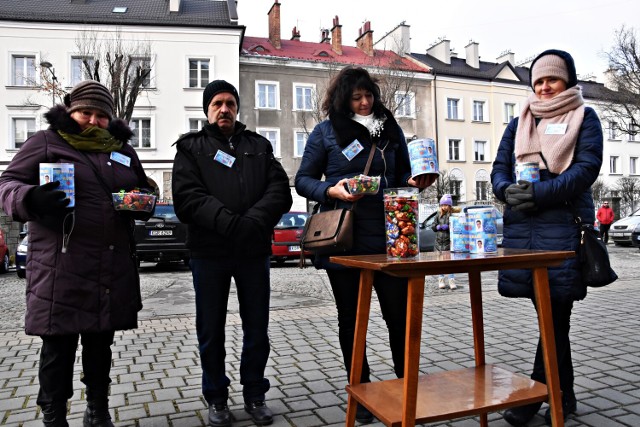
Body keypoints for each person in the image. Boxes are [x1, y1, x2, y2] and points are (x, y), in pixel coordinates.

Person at [0, 80, 152, 427]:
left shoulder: (123, 151)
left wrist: (141, 201)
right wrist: (29, 198)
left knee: (101, 346)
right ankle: (54, 416)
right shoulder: (47, 142)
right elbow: (6, 184)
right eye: (86, 112)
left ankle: (97, 410)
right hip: (60, 266)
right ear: (71, 111)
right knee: (58, 349)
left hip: (108, 265)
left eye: (101, 115)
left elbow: (141, 188)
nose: (94, 121)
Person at [294, 66, 435, 424]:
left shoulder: (391, 130)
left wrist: (416, 180)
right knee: (352, 320)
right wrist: (331, 189)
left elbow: (405, 172)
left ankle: (407, 388)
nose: (364, 101)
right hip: (346, 238)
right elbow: (304, 180)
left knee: (398, 317)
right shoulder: (326, 132)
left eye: (368, 95)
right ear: (344, 99)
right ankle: (360, 388)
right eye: (356, 97)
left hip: (391, 236)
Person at [491, 49, 603, 426]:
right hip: (524, 232)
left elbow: (585, 170)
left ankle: (536, 396)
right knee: (551, 318)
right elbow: (499, 170)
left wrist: (538, 194)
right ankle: (563, 393)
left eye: (551, 79)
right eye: (538, 81)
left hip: (562, 230)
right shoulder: (517, 123)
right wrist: (508, 191)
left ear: (567, 81)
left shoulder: (585, 118)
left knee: (555, 315)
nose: (544, 87)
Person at [172, 80, 292, 427]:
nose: (224, 109)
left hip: (252, 250)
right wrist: (230, 224)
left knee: (257, 326)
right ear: (207, 110)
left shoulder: (258, 145)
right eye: (217, 104)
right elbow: (188, 198)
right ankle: (217, 397)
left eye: (230, 103)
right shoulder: (191, 149)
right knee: (211, 328)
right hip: (209, 253)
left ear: (237, 108)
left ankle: (255, 393)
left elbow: (279, 190)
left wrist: (251, 222)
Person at [432, 193, 457, 289]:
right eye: (442, 205)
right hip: (439, 243)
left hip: (448, 242)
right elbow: (433, 226)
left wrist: (449, 227)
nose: (444, 207)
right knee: (440, 263)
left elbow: (456, 227)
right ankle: (441, 279)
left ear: (449, 205)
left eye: (446, 205)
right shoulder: (438, 215)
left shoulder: (452, 215)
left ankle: (451, 281)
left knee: (450, 263)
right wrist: (436, 227)